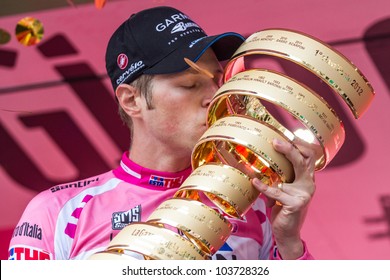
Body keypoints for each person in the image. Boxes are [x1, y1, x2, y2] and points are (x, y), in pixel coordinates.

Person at [8, 6, 315, 260]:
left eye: (218, 80)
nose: (216, 96)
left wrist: (289, 243)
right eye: (191, 85)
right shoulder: (57, 212)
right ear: (132, 100)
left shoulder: (254, 205)